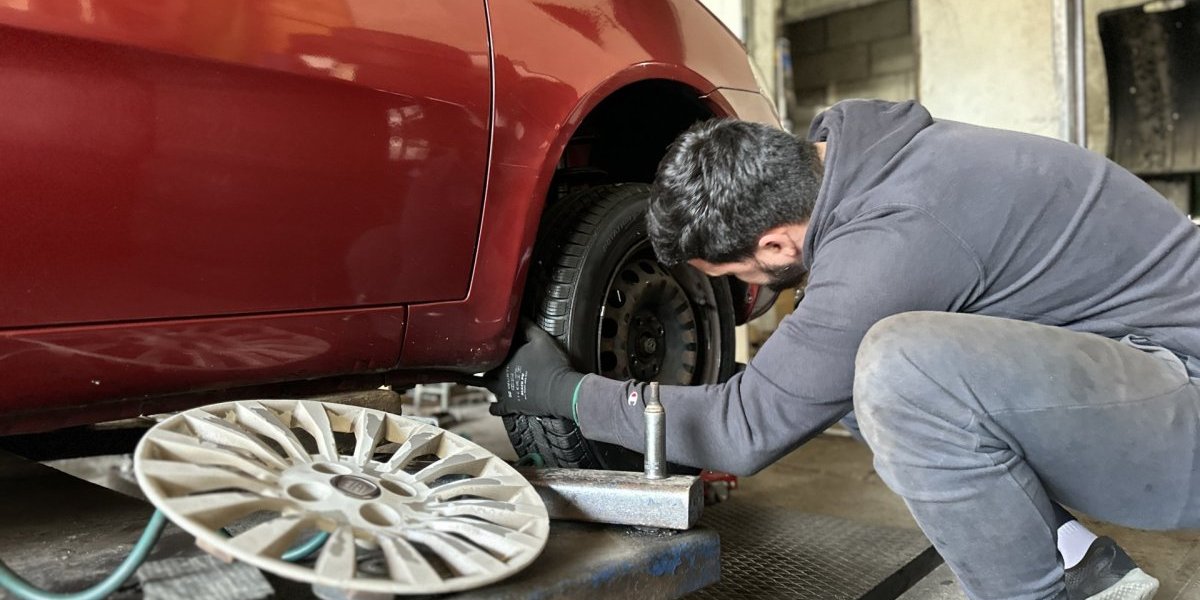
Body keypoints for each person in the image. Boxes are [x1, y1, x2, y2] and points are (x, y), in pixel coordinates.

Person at [486, 99, 1200, 600]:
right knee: (863, 385)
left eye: (733, 275)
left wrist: (564, 392)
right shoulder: (860, 156)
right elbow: (793, 382)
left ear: (774, 242)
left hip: (1184, 409)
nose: (740, 293)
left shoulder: (891, 242)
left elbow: (742, 431)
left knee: (901, 369)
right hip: (1137, 366)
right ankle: (1084, 564)